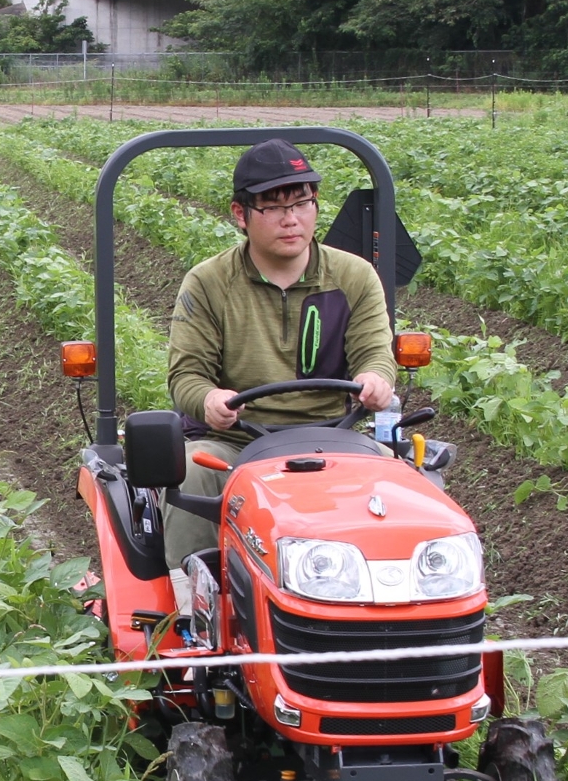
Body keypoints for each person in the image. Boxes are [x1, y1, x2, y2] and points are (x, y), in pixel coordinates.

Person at [163, 139, 396, 570]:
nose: (291, 219)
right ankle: (190, 602)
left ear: (315, 206)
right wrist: (210, 401)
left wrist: (376, 380)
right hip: (235, 443)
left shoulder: (355, 276)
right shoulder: (209, 283)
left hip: (331, 439)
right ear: (241, 215)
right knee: (191, 471)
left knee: (395, 475)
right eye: (273, 207)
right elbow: (187, 377)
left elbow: (375, 355)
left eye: (301, 204)